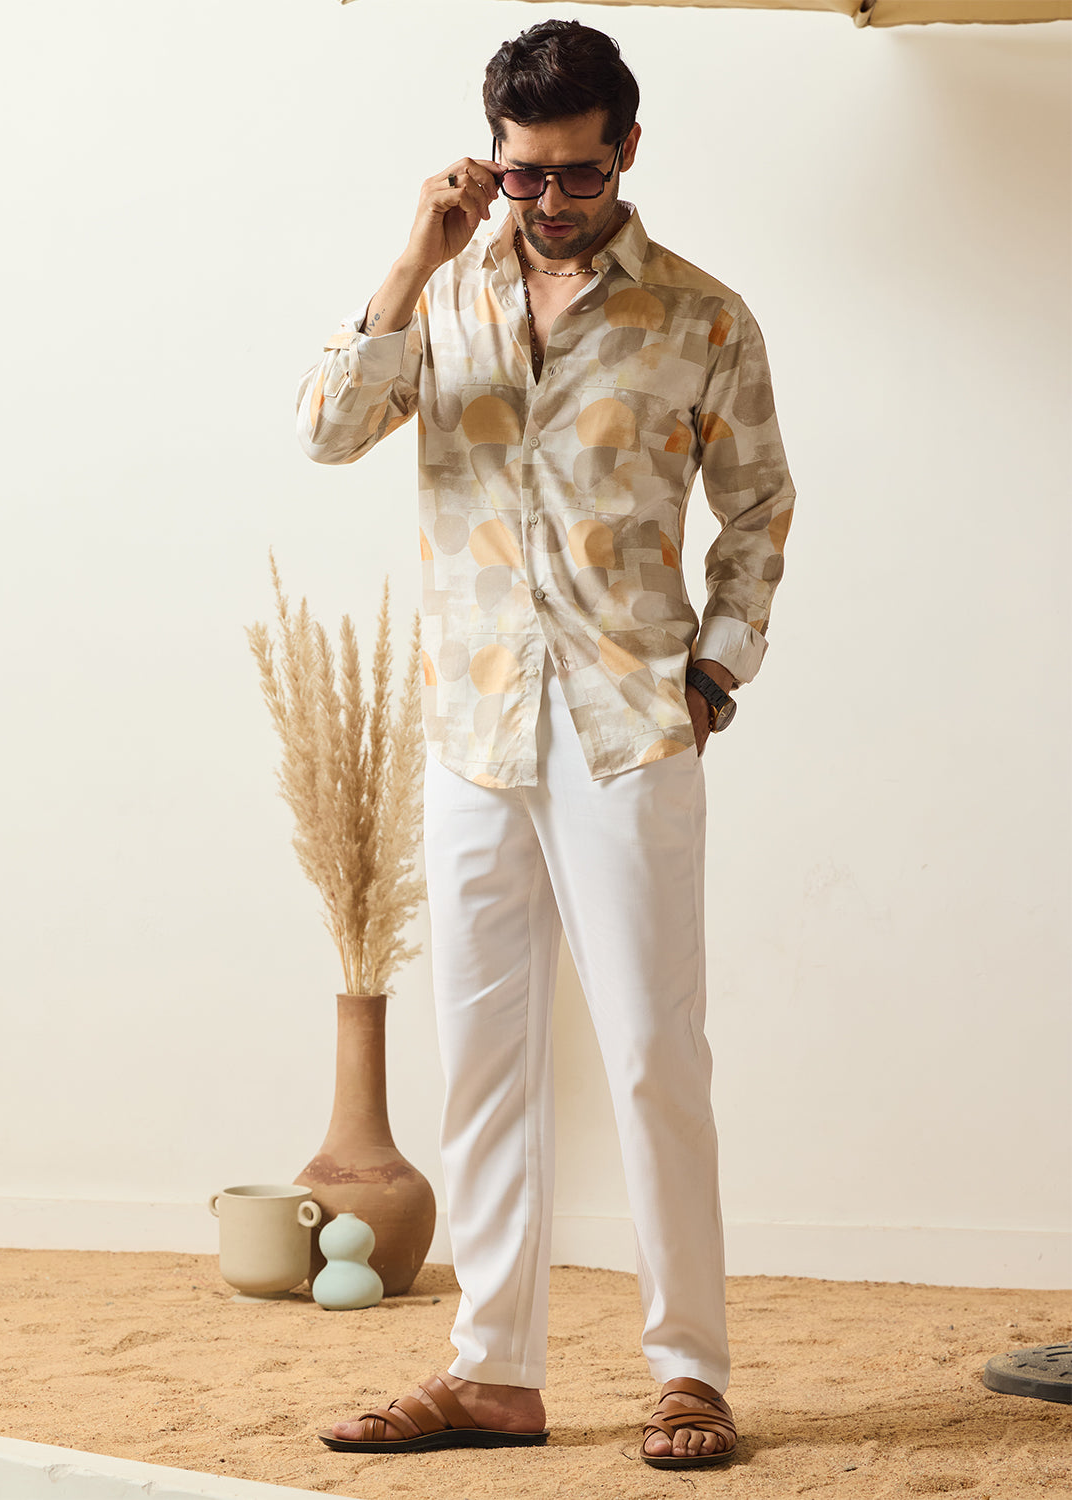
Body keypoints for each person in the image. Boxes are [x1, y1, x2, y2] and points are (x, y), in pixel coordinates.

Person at [296, 18, 794, 1472]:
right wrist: (412, 255)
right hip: (474, 725)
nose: (554, 202)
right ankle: (491, 1374)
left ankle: (688, 1373)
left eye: (580, 174)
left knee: (650, 1055)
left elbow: (760, 510)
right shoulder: (443, 295)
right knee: (483, 1060)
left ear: (626, 149)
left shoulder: (702, 316)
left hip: (629, 728)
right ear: (491, 160)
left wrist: (715, 672)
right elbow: (326, 430)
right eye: (525, 176)